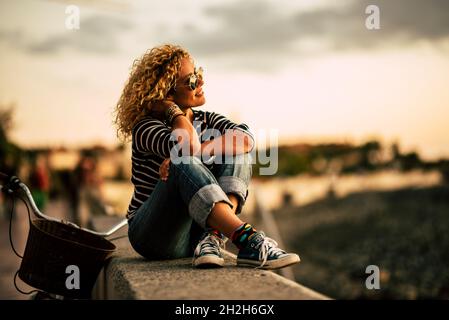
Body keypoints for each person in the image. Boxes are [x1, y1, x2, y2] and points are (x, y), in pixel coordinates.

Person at [114, 44, 300, 269]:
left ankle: (212, 237)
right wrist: (173, 112)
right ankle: (248, 239)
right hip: (154, 236)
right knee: (183, 161)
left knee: (237, 153)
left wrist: (201, 151)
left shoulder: (208, 119)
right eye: (191, 81)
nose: (200, 82)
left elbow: (246, 139)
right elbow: (185, 148)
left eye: (198, 74)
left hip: (194, 234)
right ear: (167, 93)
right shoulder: (146, 127)